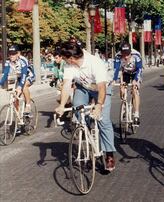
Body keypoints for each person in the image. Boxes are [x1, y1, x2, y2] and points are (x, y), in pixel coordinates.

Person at [55, 41, 116, 171]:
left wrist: (99, 105)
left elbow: (102, 88)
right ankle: (86, 132)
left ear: (71, 58)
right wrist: (61, 105)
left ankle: (109, 154)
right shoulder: (69, 65)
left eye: (65, 58)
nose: (64, 61)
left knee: (103, 120)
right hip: (84, 88)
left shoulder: (95, 63)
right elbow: (66, 85)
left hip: (101, 88)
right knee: (77, 108)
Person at [113, 42, 143, 126]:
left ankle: (136, 114)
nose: (125, 56)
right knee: (122, 87)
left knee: (134, 90)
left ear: (130, 52)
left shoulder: (136, 55)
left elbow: (139, 69)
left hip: (136, 72)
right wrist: (116, 80)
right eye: (124, 54)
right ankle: (124, 106)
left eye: (127, 54)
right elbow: (116, 70)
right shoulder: (118, 56)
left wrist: (136, 80)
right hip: (125, 72)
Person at [0, 45, 35, 115]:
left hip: (28, 76)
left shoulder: (22, 60)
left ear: (18, 53)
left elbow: (24, 74)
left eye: (13, 53)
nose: (11, 55)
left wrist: (20, 87)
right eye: (10, 53)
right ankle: (18, 114)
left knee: (24, 86)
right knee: (15, 96)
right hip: (19, 77)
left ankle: (28, 105)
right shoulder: (8, 61)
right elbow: (5, 74)